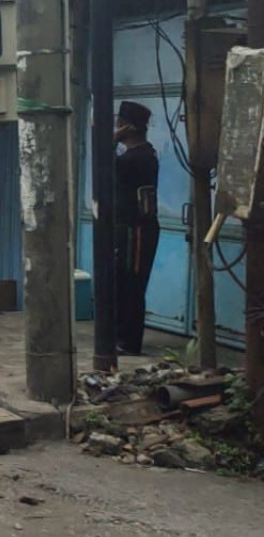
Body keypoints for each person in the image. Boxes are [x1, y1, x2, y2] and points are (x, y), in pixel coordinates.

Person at [114, 100, 160, 356]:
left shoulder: (138, 158)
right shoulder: (141, 154)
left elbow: (104, 166)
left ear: (127, 126)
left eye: (119, 123)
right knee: (122, 283)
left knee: (132, 285)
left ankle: (129, 341)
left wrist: (111, 140)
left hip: (138, 230)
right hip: (130, 228)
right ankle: (121, 335)